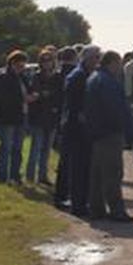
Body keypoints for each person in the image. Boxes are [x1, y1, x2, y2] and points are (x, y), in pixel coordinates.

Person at [85, 51, 133, 223]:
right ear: (112, 63)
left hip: (97, 132)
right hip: (110, 132)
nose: (120, 67)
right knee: (113, 173)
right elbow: (116, 109)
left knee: (98, 174)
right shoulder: (108, 82)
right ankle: (117, 211)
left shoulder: (94, 78)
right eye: (119, 63)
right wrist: (126, 129)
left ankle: (96, 208)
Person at [64, 46, 100, 217]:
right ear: (85, 58)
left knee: (85, 167)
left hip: (84, 128)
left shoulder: (87, 75)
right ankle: (78, 205)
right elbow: (73, 103)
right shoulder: (78, 76)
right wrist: (82, 115)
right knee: (78, 168)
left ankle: (82, 202)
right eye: (95, 58)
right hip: (76, 129)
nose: (97, 61)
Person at [0, 49, 34, 184]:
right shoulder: (4, 77)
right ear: (12, 63)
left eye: (23, 66)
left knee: (18, 148)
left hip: (21, 117)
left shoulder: (23, 77)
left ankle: (15, 175)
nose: (21, 68)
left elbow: (29, 90)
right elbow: (5, 99)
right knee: (5, 147)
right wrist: (23, 99)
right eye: (19, 66)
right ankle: (1, 176)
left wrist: (33, 96)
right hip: (7, 118)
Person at [25, 47, 62, 185]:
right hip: (38, 117)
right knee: (35, 148)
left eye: (50, 60)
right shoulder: (36, 76)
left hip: (51, 117)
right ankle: (30, 176)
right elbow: (35, 92)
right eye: (44, 60)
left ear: (54, 62)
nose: (47, 63)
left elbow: (59, 95)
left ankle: (43, 176)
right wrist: (42, 94)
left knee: (47, 149)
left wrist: (46, 96)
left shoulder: (57, 77)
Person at [52, 47, 78, 209]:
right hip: (71, 121)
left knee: (63, 160)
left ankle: (59, 194)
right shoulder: (75, 74)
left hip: (58, 119)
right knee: (72, 161)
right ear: (74, 58)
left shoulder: (57, 75)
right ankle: (67, 194)